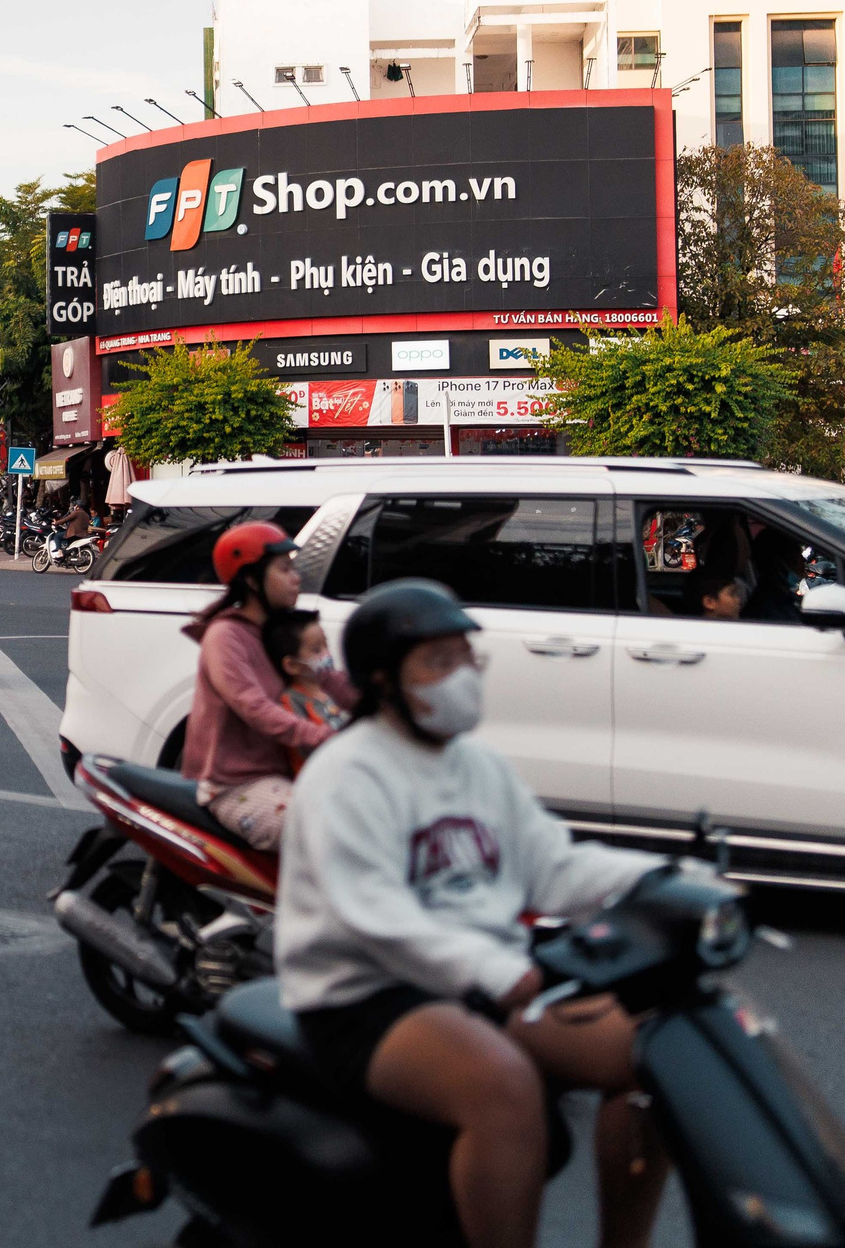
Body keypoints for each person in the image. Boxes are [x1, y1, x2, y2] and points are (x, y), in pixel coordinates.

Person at [276, 578, 668, 1248]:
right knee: (504, 1087)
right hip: (367, 997)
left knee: (656, 1054)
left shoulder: (479, 767)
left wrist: (664, 881)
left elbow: (552, 865)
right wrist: (492, 968)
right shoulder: (348, 773)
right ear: (382, 679)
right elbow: (374, 912)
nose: (462, 676)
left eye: (466, 658)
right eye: (439, 661)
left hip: (481, 983)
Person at [179, 523, 353, 850]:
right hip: (236, 785)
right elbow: (254, 706)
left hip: (292, 772)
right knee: (334, 836)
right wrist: (324, 737)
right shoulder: (226, 636)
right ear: (251, 580)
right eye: (284, 569)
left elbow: (328, 678)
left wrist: (388, 705)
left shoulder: (279, 631)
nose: (296, 578)